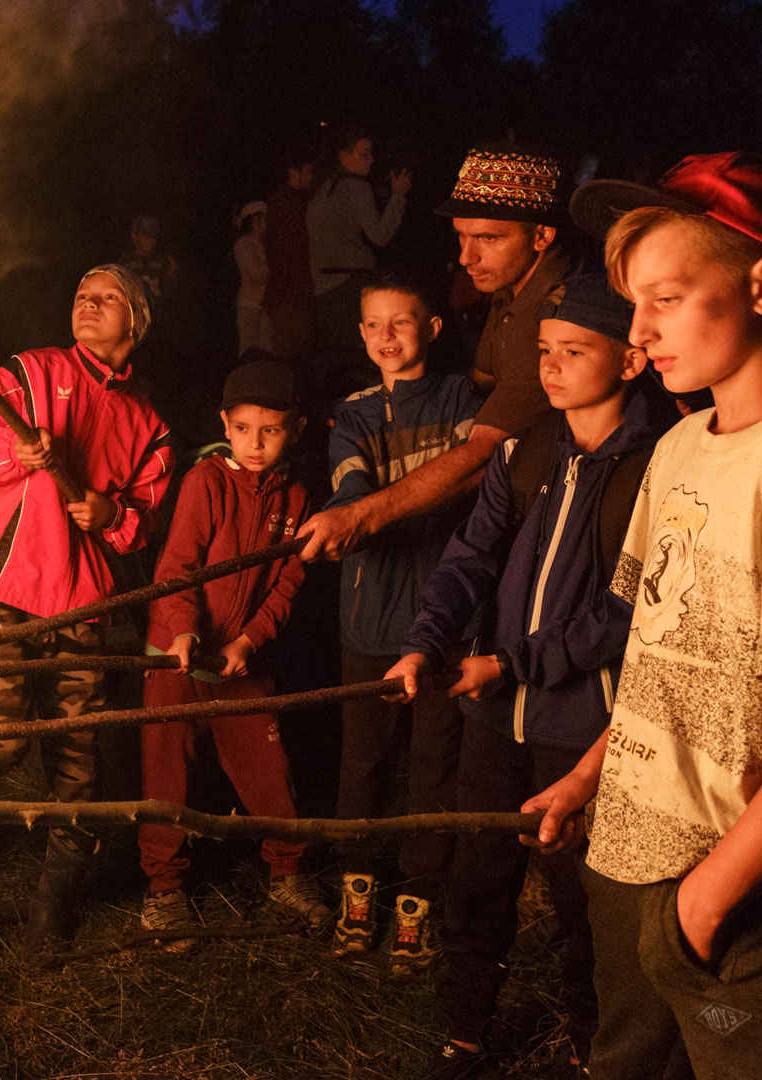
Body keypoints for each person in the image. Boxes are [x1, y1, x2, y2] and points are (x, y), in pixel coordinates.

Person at [524, 153, 762, 1079]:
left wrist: (703, 905)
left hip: (740, 895)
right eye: (633, 303)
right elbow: (662, 650)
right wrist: (587, 778)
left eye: (666, 298)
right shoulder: (682, 442)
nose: (639, 329)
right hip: (626, 852)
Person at [386, 273, 664, 1075]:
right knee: (479, 877)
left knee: (584, 899)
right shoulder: (527, 449)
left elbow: (629, 613)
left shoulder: (656, 471)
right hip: (494, 720)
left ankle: (593, 1039)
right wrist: (427, 642)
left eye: (575, 352)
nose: (552, 368)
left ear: (631, 360)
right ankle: (465, 1029)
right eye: (544, 352)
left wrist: (514, 662)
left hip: (583, 731)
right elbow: (468, 558)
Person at [0, 263, 175, 953]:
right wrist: (17, 450)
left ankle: (53, 898)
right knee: (1, 739)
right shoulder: (30, 374)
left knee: (79, 763)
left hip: (82, 595)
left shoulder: (148, 421)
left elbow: (142, 520)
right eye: (81, 293)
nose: (88, 304)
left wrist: (108, 510)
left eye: (108, 298)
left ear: (137, 323)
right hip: (4, 578)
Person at [299, 143, 574, 563]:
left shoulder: (555, 313)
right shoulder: (511, 287)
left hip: (553, 522)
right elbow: (479, 382)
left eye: (487, 238)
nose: (467, 257)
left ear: (541, 235)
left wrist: (362, 515)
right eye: (461, 237)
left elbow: (482, 456)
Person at [134, 358, 327, 951]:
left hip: (241, 660)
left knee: (266, 769)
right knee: (168, 769)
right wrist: (182, 632)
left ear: (293, 428)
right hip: (178, 653)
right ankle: (164, 892)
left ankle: (287, 875)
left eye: (270, 430)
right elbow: (177, 568)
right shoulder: (208, 481)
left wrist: (249, 641)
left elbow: (289, 581)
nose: (256, 443)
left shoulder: (296, 496)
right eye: (243, 428)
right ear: (226, 422)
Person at [325, 277, 484, 975]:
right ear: (360, 334)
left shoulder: (463, 401)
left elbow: (467, 487)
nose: (387, 337)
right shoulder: (353, 414)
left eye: (402, 321)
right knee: (363, 764)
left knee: (433, 768)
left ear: (434, 325)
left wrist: (397, 510)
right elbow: (353, 496)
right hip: (368, 619)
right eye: (372, 325)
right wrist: (386, 509)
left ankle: (417, 908)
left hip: (445, 622)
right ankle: (356, 897)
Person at [307, 125, 411, 355]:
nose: (371, 160)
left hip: (321, 288)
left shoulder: (321, 188)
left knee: (334, 358)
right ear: (343, 155)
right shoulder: (356, 188)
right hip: (349, 285)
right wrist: (398, 196)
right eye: (364, 154)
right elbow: (380, 235)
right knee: (361, 358)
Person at [264, 141, 318, 360]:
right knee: (292, 353)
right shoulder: (290, 205)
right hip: (290, 294)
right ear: (293, 173)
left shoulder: (289, 202)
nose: (312, 177)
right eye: (308, 172)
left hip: (289, 292)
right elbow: (287, 252)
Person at [233, 201, 272, 355]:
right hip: (249, 307)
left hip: (265, 306)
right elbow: (257, 274)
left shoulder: (265, 245)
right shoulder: (243, 245)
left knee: (267, 352)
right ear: (255, 221)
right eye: (265, 219)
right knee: (249, 352)